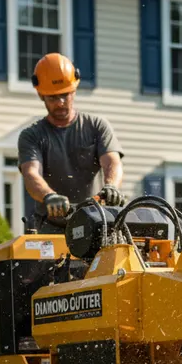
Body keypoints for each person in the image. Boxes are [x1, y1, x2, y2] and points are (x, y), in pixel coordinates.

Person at [18, 53, 126, 233]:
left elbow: (112, 162)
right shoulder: (32, 135)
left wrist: (111, 187)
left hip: (95, 222)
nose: (60, 103)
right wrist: (49, 196)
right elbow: (31, 174)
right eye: (53, 97)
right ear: (41, 95)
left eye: (65, 95)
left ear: (74, 90)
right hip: (51, 226)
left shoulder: (96, 126)